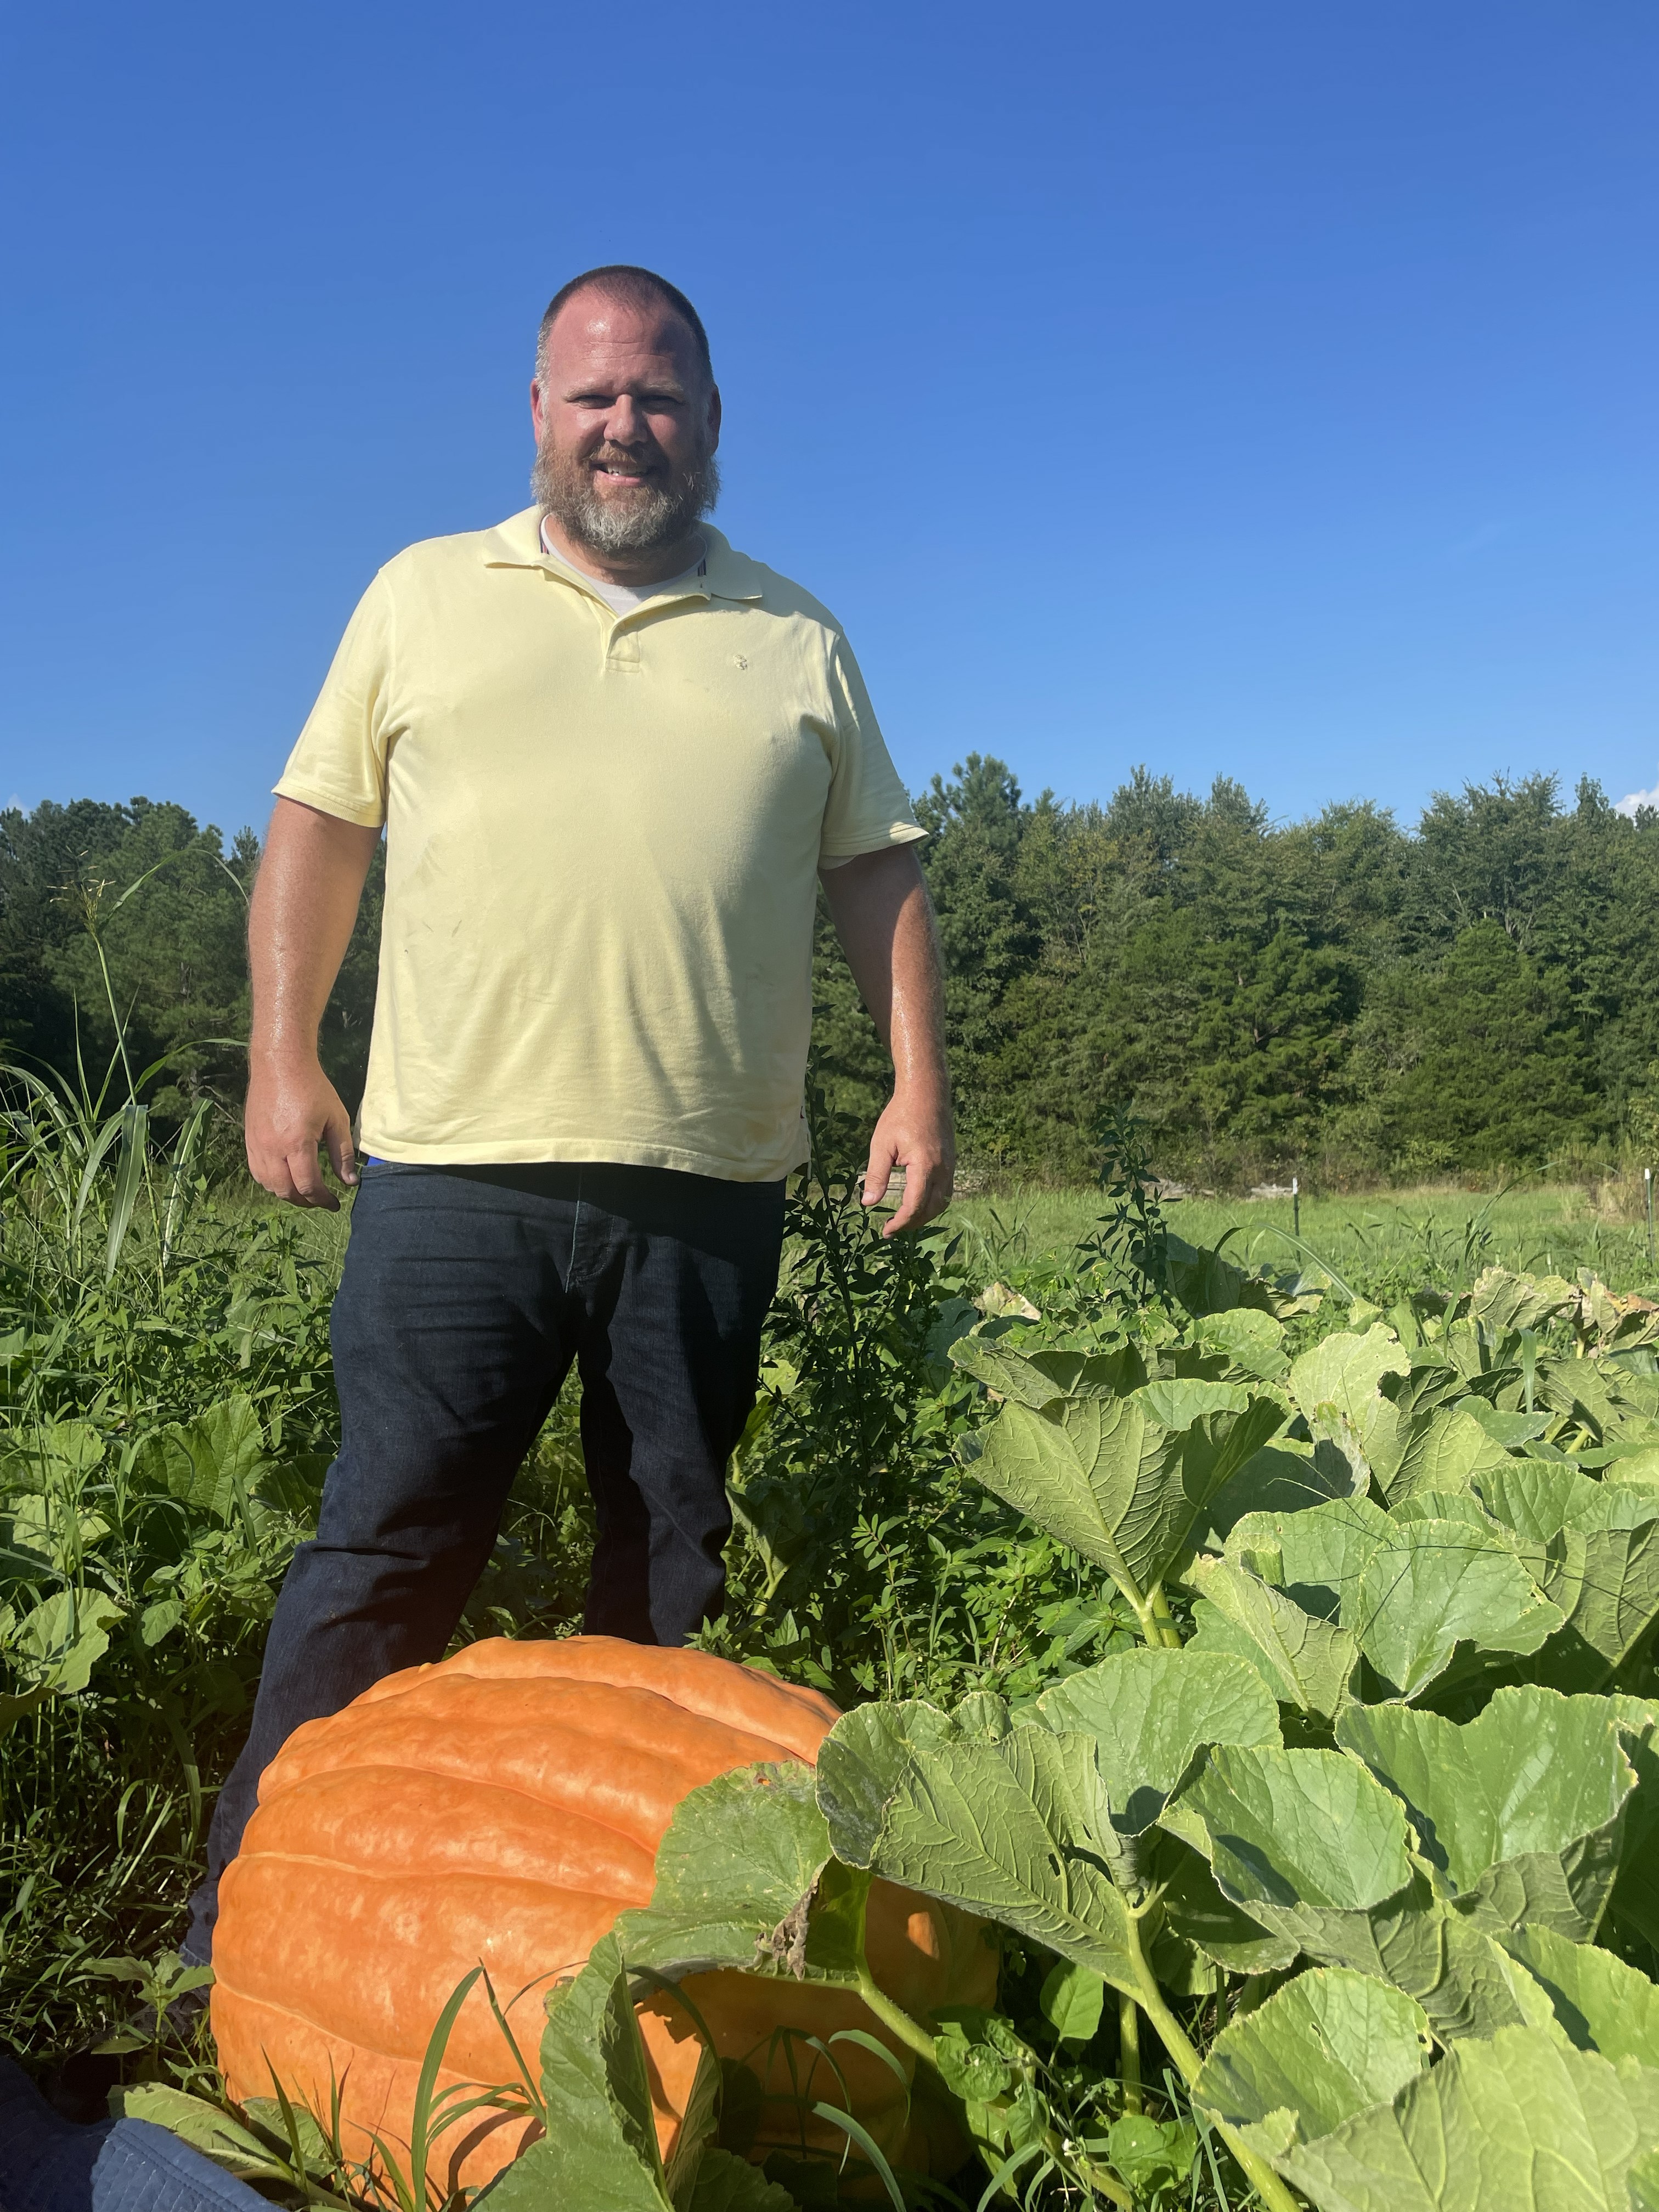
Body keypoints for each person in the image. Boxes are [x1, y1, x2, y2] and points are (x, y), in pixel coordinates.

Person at [180, 264, 952, 1963]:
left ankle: (625, 1968)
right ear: (538, 409)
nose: (627, 425)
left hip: (707, 1184)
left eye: (659, 396)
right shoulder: (421, 594)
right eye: (595, 394)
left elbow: (876, 870)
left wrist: (918, 1081)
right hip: (456, 1174)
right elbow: (320, 824)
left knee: (665, 1571)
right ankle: (242, 1939)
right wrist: (282, 1052)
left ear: (711, 419)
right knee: (387, 1550)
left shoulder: (796, 636)